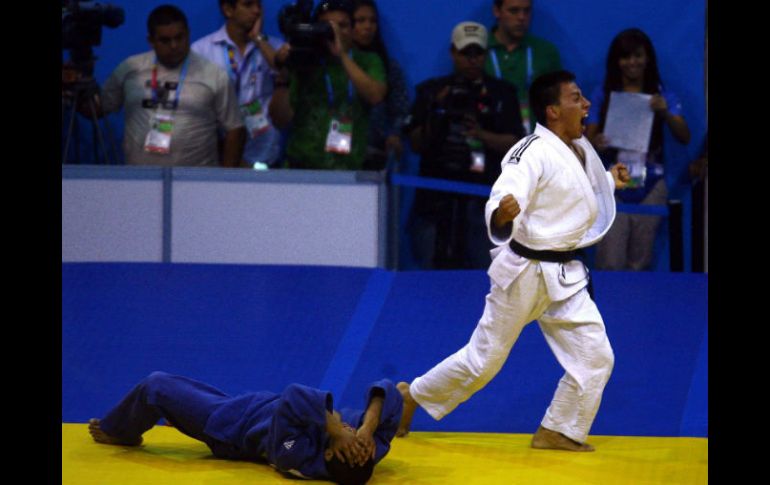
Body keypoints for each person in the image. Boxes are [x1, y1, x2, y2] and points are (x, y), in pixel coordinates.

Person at [397, 70, 630, 452]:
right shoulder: (530, 150)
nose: (586, 104)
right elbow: (507, 192)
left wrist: (608, 180)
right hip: (525, 273)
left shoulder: (577, 147)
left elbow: (569, 191)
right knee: (483, 362)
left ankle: (559, 429)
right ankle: (412, 396)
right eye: (576, 98)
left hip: (565, 275)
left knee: (596, 356)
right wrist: (502, 213)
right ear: (553, 110)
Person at [88, 371, 404, 484]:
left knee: (156, 386)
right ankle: (180, 416)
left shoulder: (293, 455)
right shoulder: (366, 451)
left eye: (347, 438)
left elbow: (292, 398)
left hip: (229, 425)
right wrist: (368, 428)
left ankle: (120, 432)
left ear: (330, 454)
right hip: (252, 404)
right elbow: (389, 393)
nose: (350, 429)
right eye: (356, 436)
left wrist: (333, 428)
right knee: (187, 398)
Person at [403, 21, 524, 269]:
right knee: (431, 272)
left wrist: (481, 134)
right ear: (453, 53)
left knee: (485, 274)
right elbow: (415, 144)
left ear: (486, 54)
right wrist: (436, 112)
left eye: (477, 52)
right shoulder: (431, 91)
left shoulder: (502, 93)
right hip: (435, 199)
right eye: (465, 52)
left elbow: (516, 144)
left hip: (483, 199)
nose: (472, 59)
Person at [586, 28, 691, 271]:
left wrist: (665, 113)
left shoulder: (661, 94)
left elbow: (684, 136)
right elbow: (587, 139)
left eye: (638, 56)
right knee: (609, 261)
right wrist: (597, 141)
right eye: (626, 57)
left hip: (651, 183)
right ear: (616, 61)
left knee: (641, 263)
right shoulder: (603, 94)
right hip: (612, 183)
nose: (632, 62)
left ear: (648, 58)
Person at [95, 4, 246, 167]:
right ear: (151, 41)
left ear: (188, 34)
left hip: (196, 178)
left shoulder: (213, 75)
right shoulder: (130, 69)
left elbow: (235, 128)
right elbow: (98, 109)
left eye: (179, 38)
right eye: (165, 40)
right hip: (140, 177)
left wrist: (224, 177)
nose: (174, 46)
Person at [268, 0, 386, 170]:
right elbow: (280, 120)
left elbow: (375, 96)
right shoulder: (306, 61)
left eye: (342, 26)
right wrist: (285, 73)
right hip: (302, 168)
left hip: (348, 170)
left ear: (353, 30)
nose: (334, 32)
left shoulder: (367, 61)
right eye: (327, 26)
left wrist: (342, 56)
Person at [191, 0, 284, 169]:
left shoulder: (274, 48)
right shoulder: (201, 50)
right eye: (248, 5)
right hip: (219, 156)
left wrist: (258, 39)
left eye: (259, 5)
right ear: (228, 9)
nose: (256, 11)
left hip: (265, 157)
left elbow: (284, 72)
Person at [485, 0, 562, 135]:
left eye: (527, 11)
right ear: (497, 11)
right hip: (490, 140)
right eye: (514, 11)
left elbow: (559, 102)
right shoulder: (479, 52)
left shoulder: (546, 52)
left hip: (537, 140)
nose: (521, 17)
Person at [350, 0, 410, 171]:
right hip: (333, 153)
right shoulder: (334, 64)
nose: (368, 27)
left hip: (374, 154)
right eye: (360, 21)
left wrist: (394, 134)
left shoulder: (388, 66)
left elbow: (401, 111)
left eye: (373, 21)